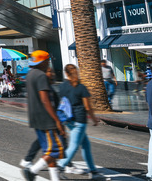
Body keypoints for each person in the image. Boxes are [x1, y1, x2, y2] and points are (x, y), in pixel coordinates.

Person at [22, 50, 65, 181]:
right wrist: (56, 120)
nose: (48, 63)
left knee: (49, 149)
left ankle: (55, 178)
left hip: (35, 118)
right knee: (56, 150)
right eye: (47, 61)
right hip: (46, 119)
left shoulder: (30, 75)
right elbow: (45, 99)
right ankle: (32, 171)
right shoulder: (41, 76)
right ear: (43, 62)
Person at [57, 64, 102, 179]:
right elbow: (87, 107)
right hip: (80, 120)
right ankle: (60, 166)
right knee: (74, 146)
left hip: (68, 119)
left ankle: (93, 170)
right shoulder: (81, 87)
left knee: (86, 144)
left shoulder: (62, 87)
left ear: (66, 73)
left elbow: (62, 102)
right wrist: (94, 119)